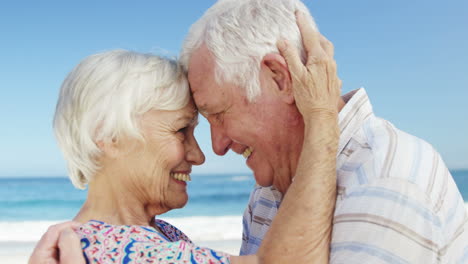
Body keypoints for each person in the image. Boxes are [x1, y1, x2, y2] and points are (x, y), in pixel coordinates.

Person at [29, 13, 342, 263]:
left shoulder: (150, 234)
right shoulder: (118, 249)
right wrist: (322, 117)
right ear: (108, 135)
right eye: (181, 131)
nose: (199, 155)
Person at [179, 0, 468, 263]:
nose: (216, 146)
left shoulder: (384, 178)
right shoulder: (266, 195)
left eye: (218, 114)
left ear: (280, 79)